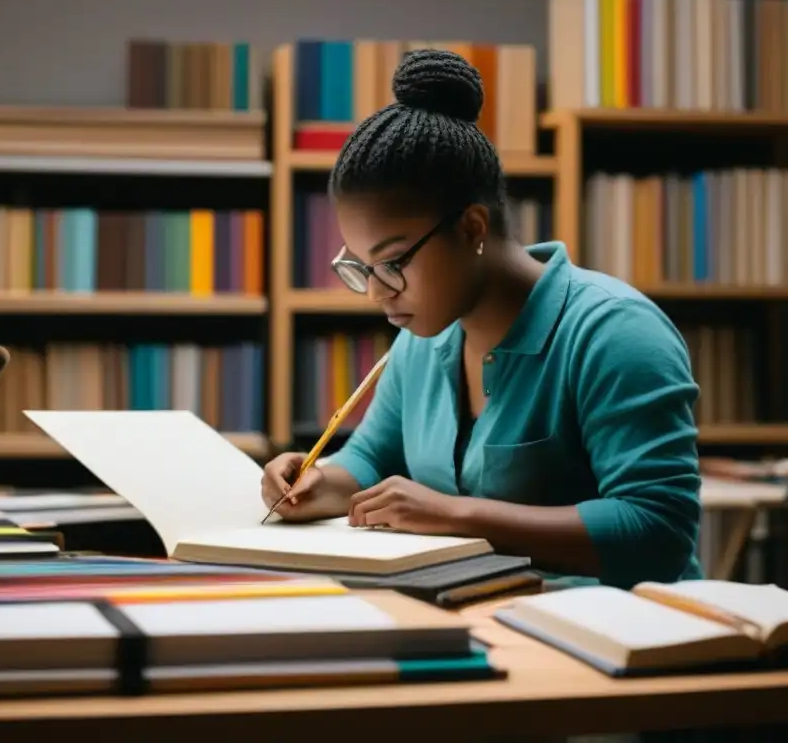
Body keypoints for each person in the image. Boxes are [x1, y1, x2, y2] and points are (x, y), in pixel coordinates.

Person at [260, 48, 703, 590]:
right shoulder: (423, 337)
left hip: (622, 638)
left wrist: (456, 515)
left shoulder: (614, 332)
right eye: (361, 266)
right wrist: (317, 483)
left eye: (394, 262)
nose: (375, 291)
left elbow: (657, 532)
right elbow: (373, 456)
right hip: (478, 618)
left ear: (472, 229)